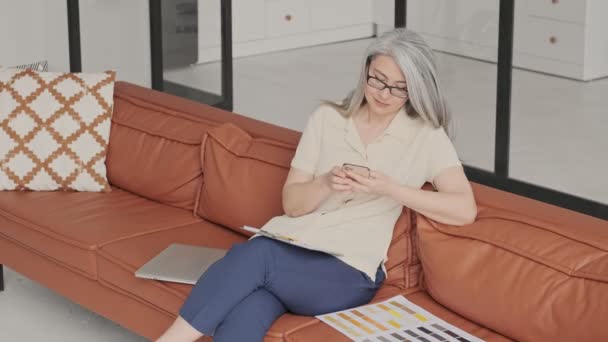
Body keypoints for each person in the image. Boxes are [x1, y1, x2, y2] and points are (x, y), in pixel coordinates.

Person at [156, 28, 477, 342]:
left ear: (415, 90)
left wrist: (390, 188)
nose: (382, 93)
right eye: (376, 79)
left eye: (398, 87)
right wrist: (325, 184)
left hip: (348, 273)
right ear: (365, 70)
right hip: (291, 249)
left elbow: (464, 209)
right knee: (250, 305)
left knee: (257, 255)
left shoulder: (426, 137)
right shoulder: (327, 120)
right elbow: (292, 205)